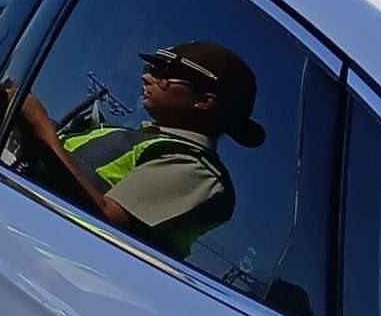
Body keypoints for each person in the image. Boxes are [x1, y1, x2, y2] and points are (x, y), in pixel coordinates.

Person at [19, 41, 262, 259]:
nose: (147, 76)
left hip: (52, 260)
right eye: (150, 68)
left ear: (205, 101)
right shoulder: (141, 138)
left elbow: (106, 221)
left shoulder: (195, 169)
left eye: (163, 73)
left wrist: (40, 126)